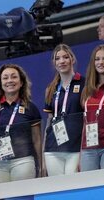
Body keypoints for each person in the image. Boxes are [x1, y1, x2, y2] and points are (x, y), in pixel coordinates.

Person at [0, 63, 43, 185]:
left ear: (21, 82)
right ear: (0, 83)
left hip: (23, 162)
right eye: (5, 78)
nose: (10, 81)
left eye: (14, 77)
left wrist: (41, 165)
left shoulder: (30, 108)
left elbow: (37, 140)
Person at [43, 43, 85, 176]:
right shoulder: (51, 89)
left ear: (72, 59)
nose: (62, 61)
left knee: (73, 187)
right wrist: (43, 152)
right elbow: (49, 122)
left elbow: (87, 118)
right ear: (54, 63)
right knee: (57, 189)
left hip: (76, 147)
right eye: (58, 58)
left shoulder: (84, 83)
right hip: (53, 148)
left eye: (65, 57)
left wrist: (85, 149)